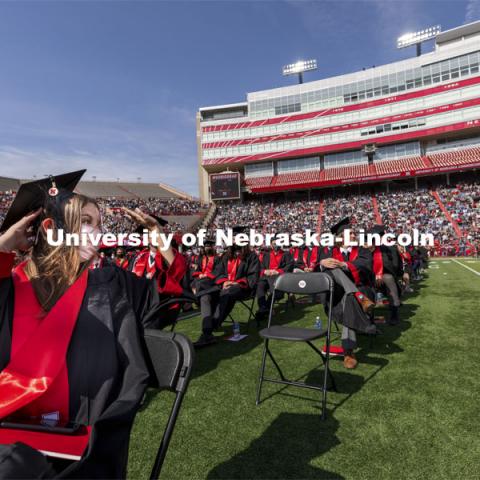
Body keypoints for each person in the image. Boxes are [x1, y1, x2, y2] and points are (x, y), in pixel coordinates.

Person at [0, 171, 186, 478]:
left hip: (81, 452)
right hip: (10, 431)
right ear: (51, 227)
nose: (97, 232)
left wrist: (159, 238)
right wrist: (4, 245)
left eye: (99, 224)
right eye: (86, 221)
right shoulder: (11, 285)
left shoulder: (111, 285)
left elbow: (167, 303)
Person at [318, 218, 376, 369]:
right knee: (331, 267)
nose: (353, 235)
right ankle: (358, 297)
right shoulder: (329, 252)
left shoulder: (361, 250)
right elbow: (319, 276)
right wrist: (322, 264)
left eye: (353, 233)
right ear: (340, 236)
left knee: (349, 299)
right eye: (350, 233)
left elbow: (366, 266)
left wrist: (345, 264)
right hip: (336, 295)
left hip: (361, 288)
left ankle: (348, 351)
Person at [194, 242, 260, 347]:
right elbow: (218, 273)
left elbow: (253, 277)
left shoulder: (252, 256)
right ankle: (207, 331)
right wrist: (224, 281)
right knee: (205, 296)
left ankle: (210, 329)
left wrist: (236, 283)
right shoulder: (226, 256)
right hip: (224, 285)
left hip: (243, 288)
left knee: (227, 292)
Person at [370, 225, 403, 325]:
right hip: (370, 276)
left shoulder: (390, 249)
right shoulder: (366, 248)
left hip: (385, 276)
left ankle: (394, 313)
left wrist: (382, 273)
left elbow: (396, 266)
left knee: (388, 278)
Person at [255, 238, 294, 321]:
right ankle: (263, 307)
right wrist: (265, 271)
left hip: (279, 277)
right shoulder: (266, 255)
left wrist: (277, 271)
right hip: (267, 277)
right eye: (274, 243)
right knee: (260, 285)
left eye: (278, 243)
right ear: (271, 245)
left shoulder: (286, 254)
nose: (276, 245)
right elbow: (260, 267)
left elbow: (289, 266)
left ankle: (266, 308)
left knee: (276, 290)